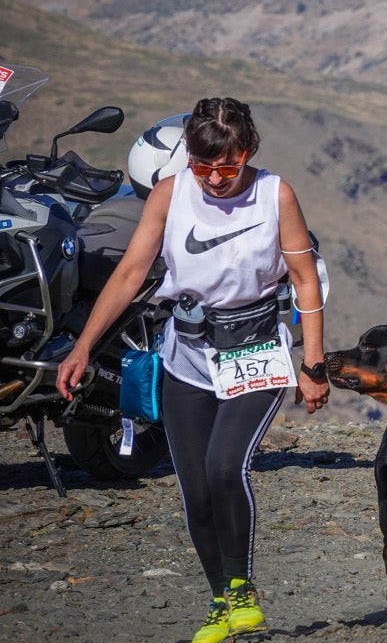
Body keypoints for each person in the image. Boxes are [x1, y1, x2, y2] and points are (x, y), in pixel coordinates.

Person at [56, 97, 330, 643]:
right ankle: (220, 600)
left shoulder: (276, 194)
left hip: (254, 349)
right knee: (196, 487)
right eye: (202, 168)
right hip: (186, 355)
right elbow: (132, 272)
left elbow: (304, 278)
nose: (214, 180)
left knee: (226, 467)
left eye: (227, 168)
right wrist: (83, 345)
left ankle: (244, 589)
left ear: (246, 152)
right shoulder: (170, 193)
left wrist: (314, 363)